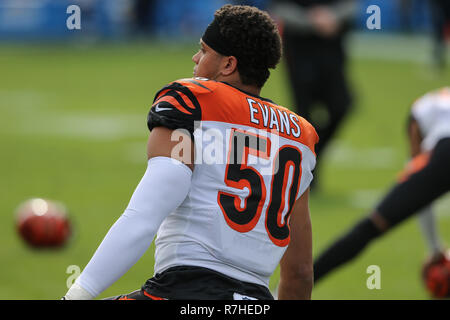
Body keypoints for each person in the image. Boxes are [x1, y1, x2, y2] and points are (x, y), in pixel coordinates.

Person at [63, 4, 319, 300]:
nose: (195, 59)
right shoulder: (301, 135)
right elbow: (300, 273)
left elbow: (143, 216)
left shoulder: (193, 100)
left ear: (228, 65)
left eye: (204, 50)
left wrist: (77, 294)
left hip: (186, 290)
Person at [313, 87, 450, 283]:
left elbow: (419, 189)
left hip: (445, 153)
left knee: (371, 226)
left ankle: (289, 290)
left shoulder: (420, 111)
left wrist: (435, 248)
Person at [270, 0, 356, 189]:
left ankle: (312, 156)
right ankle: (302, 172)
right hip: (299, 51)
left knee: (342, 105)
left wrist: (332, 17)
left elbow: (352, 6)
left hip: (331, 50)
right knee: (304, 115)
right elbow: (278, 7)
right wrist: (312, 21)